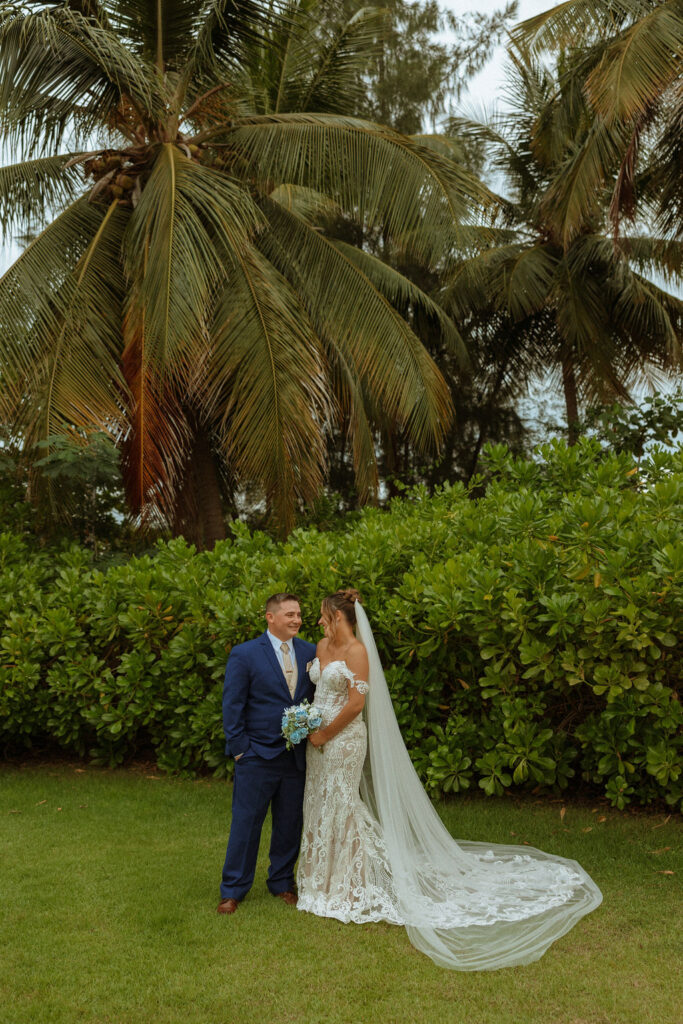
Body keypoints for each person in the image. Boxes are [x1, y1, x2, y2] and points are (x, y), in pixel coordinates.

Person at [296, 589, 603, 971]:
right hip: (315, 739)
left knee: (344, 803)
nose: (319, 621)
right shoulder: (321, 646)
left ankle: (353, 883)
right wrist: (308, 724)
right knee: (320, 801)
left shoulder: (357, 652)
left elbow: (356, 704)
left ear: (339, 617)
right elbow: (319, 690)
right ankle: (319, 880)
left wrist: (326, 733)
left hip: (343, 740)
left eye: (324, 615)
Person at [217, 592, 316, 914]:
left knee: (289, 824)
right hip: (256, 755)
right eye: (289, 614)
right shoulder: (245, 654)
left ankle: (282, 883)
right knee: (246, 823)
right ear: (270, 617)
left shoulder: (310, 652)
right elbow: (233, 705)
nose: (296, 620)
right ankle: (233, 889)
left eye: (299, 614)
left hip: (295, 756)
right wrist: (240, 750)